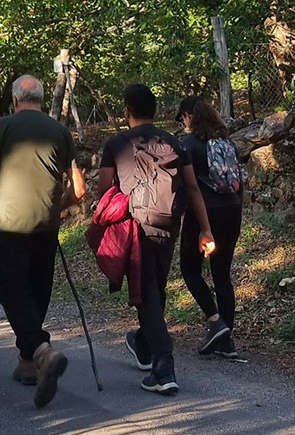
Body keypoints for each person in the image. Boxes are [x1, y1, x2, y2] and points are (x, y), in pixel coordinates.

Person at [0, 75, 86, 408]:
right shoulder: (60, 131)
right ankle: (28, 362)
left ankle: (42, 352)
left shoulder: (4, 127)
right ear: (41, 98)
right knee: (36, 293)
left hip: (12, 226)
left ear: (16, 100)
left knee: (11, 291)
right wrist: (54, 208)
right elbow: (79, 189)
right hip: (46, 231)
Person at [98, 84, 214, 395]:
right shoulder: (176, 143)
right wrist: (205, 229)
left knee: (147, 293)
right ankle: (144, 344)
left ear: (127, 111)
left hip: (135, 227)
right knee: (155, 288)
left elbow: (105, 191)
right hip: (169, 225)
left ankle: (164, 368)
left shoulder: (116, 144)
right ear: (156, 109)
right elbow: (192, 188)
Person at [177, 97, 245, 359]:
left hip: (203, 214)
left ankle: (215, 320)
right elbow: (239, 181)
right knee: (222, 274)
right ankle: (226, 340)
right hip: (232, 210)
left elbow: (187, 186)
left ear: (188, 116)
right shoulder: (228, 143)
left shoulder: (189, 145)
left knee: (190, 269)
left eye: (182, 118)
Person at [49, 49, 83, 141]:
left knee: (66, 99)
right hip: (62, 76)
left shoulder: (71, 67)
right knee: (59, 101)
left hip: (65, 76)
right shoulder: (60, 67)